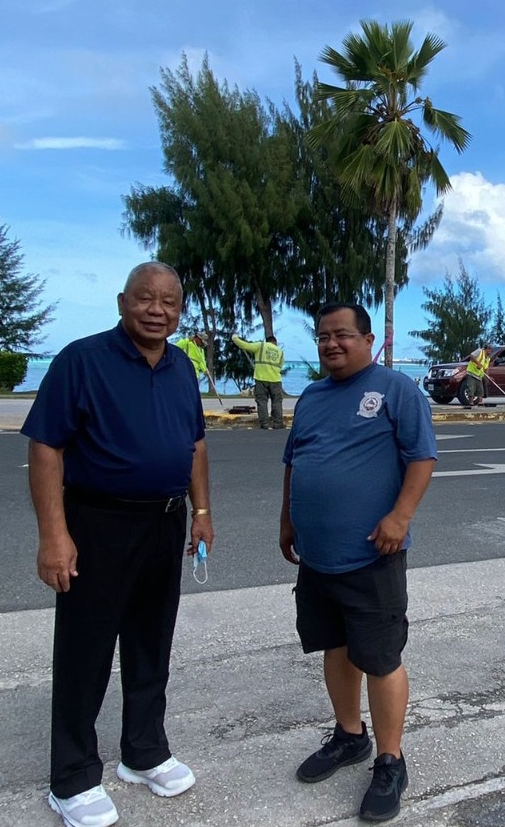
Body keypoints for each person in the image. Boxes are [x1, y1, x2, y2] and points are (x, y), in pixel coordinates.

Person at [23, 261, 213, 827]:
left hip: (165, 522)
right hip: (98, 524)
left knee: (151, 643)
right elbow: (45, 448)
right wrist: (54, 535)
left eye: (170, 303)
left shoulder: (182, 367)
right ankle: (73, 778)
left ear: (179, 311)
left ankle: (144, 752)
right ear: (121, 302)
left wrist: (201, 512)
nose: (158, 310)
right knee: (85, 651)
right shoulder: (82, 360)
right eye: (145, 299)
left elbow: (196, 445)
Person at [280, 302, 436, 822]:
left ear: (368, 340)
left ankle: (391, 760)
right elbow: (294, 462)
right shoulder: (311, 398)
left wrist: (401, 517)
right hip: (318, 558)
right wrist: (287, 519)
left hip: (373, 555)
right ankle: (350, 735)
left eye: (342, 334)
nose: (331, 344)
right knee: (335, 647)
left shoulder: (396, 390)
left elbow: (422, 457)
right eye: (323, 336)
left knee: (380, 657)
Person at [233, 333, 286, 429]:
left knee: (262, 401)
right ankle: (278, 423)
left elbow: (246, 346)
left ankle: (265, 423)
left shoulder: (261, 346)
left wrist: (235, 339)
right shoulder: (280, 351)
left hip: (261, 378)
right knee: (277, 401)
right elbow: (281, 365)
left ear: (267, 341)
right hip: (276, 379)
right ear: (275, 342)